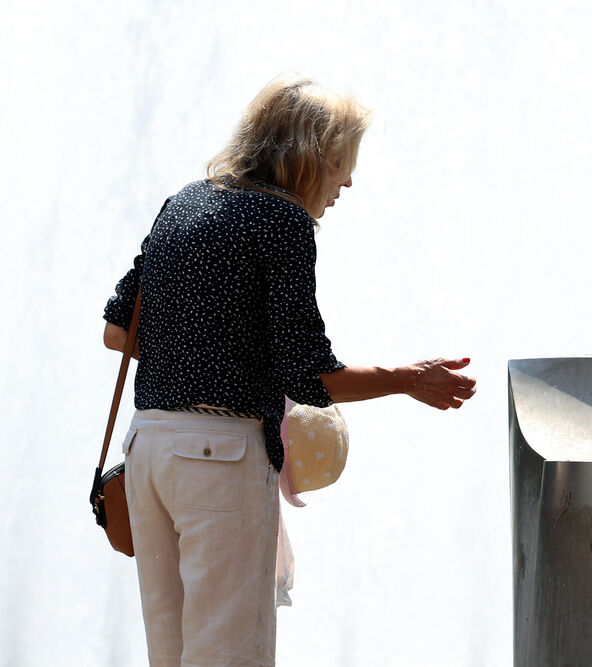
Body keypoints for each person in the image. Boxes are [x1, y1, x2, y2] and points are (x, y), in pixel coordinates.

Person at [102, 73, 477, 667]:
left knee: (170, 655)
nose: (347, 181)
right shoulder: (281, 223)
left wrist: (203, 350)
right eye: (339, 165)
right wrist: (409, 378)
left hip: (148, 452)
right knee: (229, 654)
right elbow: (312, 378)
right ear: (308, 158)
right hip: (218, 460)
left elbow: (117, 332)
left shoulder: (184, 202)